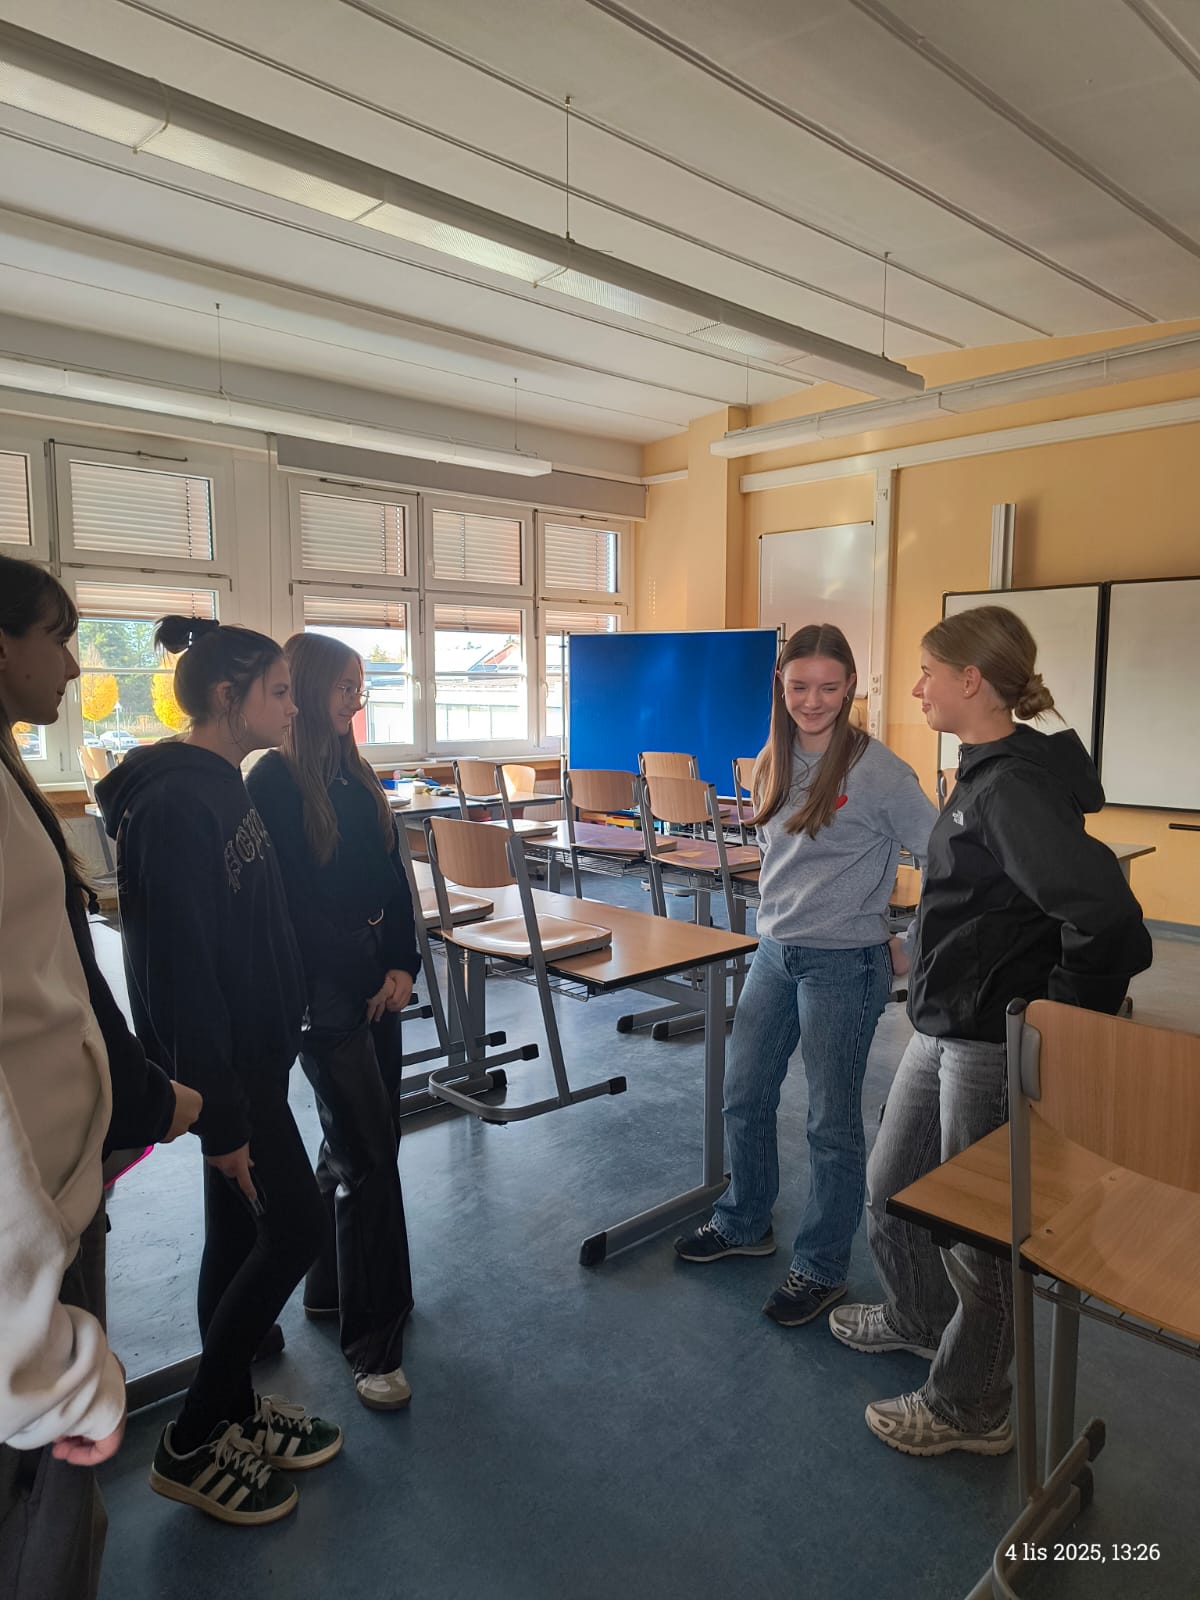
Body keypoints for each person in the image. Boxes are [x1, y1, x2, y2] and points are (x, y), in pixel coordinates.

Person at [829, 604, 1152, 1456]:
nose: (916, 689)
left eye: (928, 673)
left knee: (979, 1232)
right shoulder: (979, 773)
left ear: (970, 680)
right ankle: (916, 1317)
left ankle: (972, 1407)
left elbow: (1108, 920)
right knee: (894, 1187)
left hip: (988, 1039)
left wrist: (1057, 1019)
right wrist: (921, 949)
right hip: (942, 1021)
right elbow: (978, 902)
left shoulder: (1011, 788)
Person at [97, 616, 341, 1527]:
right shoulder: (172, 805)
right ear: (229, 697)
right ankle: (195, 1437)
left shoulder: (220, 784)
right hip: (226, 1076)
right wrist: (221, 1120)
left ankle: (235, 1407)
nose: (292, 706)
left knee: (238, 1237)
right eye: (277, 691)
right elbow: (176, 976)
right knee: (296, 1227)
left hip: (254, 1063)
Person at [0, 557, 200, 1598]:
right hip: (30, 1231)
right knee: (47, 1511)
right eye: (59, 637)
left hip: (66, 1184)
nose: (77, 665)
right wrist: (49, 1362)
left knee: (60, 1512)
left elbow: (65, 985)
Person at [674, 623, 938, 1326]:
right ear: (780, 686)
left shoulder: (879, 772)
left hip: (844, 966)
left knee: (830, 1121)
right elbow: (780, 860)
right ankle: (744, 1221)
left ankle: (821, 1266)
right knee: (744, 1093)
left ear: (850, 687)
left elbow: (952, 860)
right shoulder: (772, 757)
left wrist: (911, 941)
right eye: (799, 686)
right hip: (775, 953)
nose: (812, 701)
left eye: (827, 687)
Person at [246, 632, 421, 1412]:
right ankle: (374, 1343)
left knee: (357, 1141)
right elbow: (293, 909)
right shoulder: (273, 780)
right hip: (328, 991)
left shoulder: (355, 769)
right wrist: (362, 976)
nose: (356, 699)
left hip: (376, 975)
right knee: (369, 1157)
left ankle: (329, 1287)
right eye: (345, 687)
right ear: (311, 688)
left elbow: (391, 876)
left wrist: (402, 963)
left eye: (360, 687)